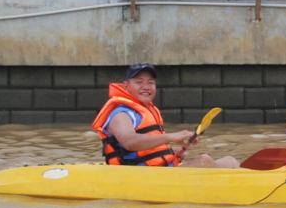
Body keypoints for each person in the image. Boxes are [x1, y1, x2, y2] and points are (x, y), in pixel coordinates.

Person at [91, 64, 239, 169]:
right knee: (204, 160)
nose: (146, 86)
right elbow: (130, 142)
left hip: (158, 171)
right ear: (125, 87)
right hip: (138, 176)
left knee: (230, 161)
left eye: (151, 82)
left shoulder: (146, 110)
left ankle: (255, 184)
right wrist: (170, 137)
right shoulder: (121, 113)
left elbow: (145, 148)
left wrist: (170, 152)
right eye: (139, 82)